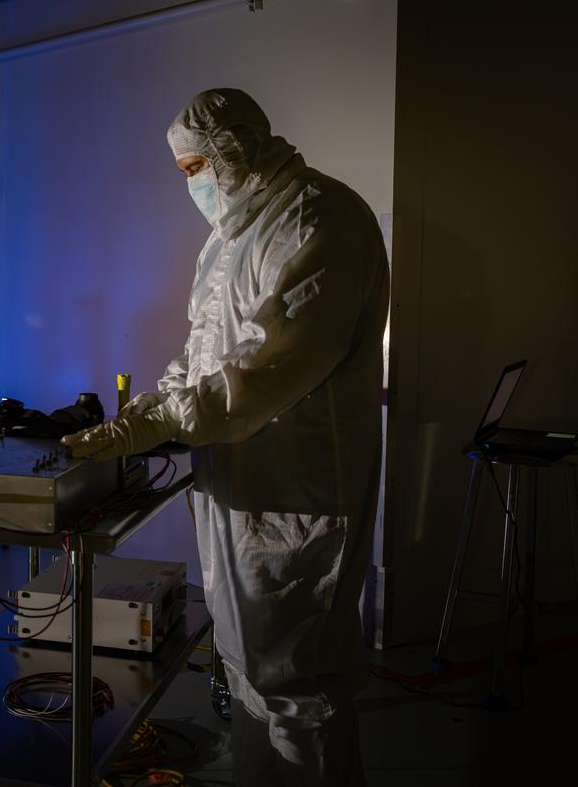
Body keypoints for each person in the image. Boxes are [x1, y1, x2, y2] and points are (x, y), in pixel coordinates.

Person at [62, 88, 389, 786]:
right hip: (235, 492)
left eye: (194, 167)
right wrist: (151, 406)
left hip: (300, 497)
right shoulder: (231, 237)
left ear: (233, 150)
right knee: (246, 676)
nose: (193, 185)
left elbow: (261, 377)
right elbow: (201, 356)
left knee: (300, 689)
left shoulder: (319, 220)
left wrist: (149, 423)